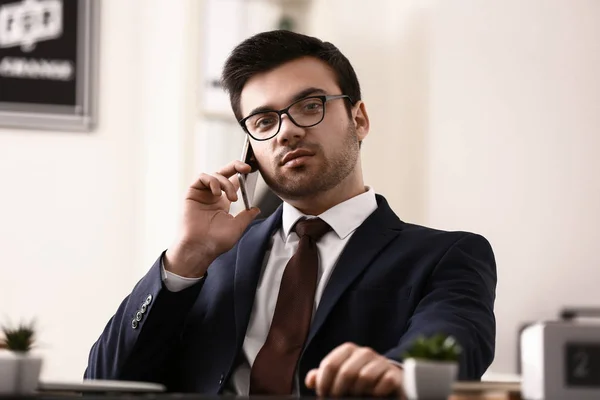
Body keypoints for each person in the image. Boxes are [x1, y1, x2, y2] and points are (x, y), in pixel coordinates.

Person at [85, 30, 497, 398]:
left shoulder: (447, 255)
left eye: (309, 106)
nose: (287, 131)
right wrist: (186, 258)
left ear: (359, 118)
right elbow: (103, 383)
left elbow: (453, 345)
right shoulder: (212, 258)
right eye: (264, 120)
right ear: (250, 148)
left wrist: (395, 373)